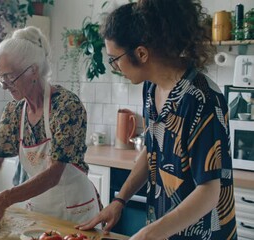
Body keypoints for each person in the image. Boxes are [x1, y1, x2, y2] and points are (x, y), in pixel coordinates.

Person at [76, 1, 237, 239]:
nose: (114, 66)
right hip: (165, 230)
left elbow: (209, 193)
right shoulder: (151, 88)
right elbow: (153, 149)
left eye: (114, 58)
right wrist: (120, 200)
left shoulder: (201, 99)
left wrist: (148, 234)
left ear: (141, 53)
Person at [0, 26, 101, 227]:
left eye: (10, 76)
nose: (5, 85)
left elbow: (53, 175)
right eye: (0, 77)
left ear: (33, 71)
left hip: (75, 213)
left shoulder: (66, 106)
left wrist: (5, 198)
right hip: (38, 210)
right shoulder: (14, 111)